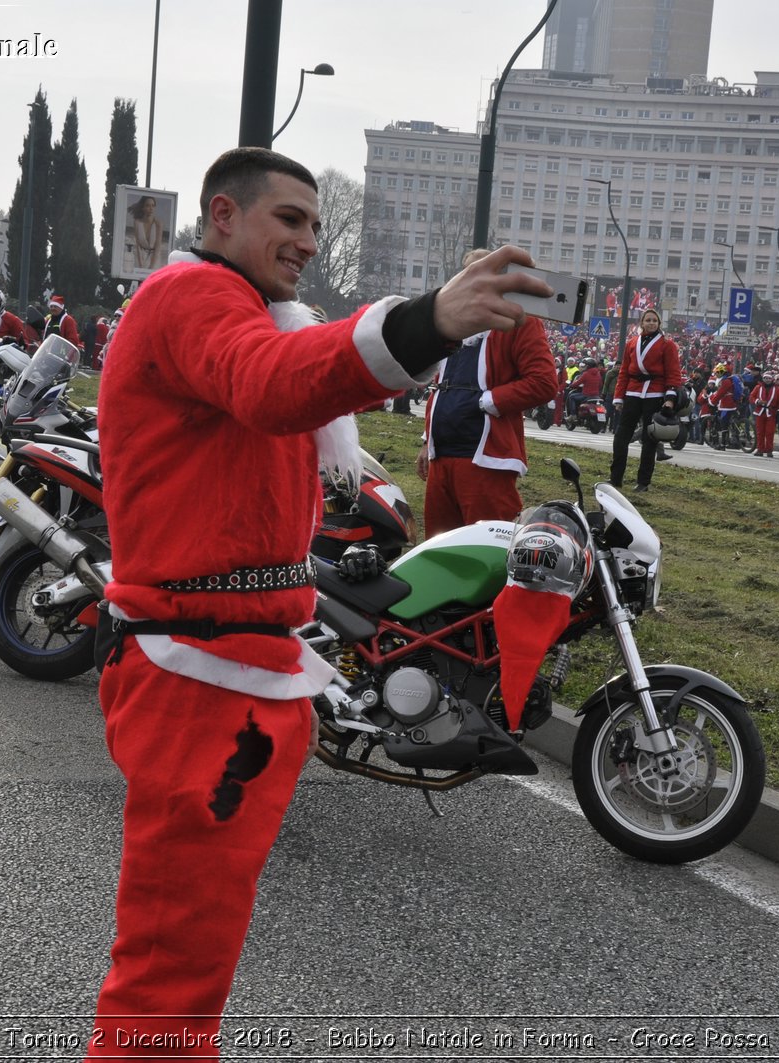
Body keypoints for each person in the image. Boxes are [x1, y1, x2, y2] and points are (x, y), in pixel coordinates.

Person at [85, 146, 552, 1057]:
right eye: (288, 219)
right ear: (223, 215)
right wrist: (429, 321)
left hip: (227, 667)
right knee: (171, 970)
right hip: (201, 676)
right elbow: (271, 381)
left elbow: (281, 391)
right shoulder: (193, 299)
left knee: (187, 962)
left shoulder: (239, 306)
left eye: (314, 222)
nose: (307, 239)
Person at [417, 249, 557, 538]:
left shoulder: (521, 321)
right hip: (441, 455)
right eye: (467, 274)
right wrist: (425, 441)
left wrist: (489, 400)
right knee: (438, 547)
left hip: (487, 458)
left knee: (486, 547)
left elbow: (543, 382)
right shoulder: (452, 322)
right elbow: (441, 385)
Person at [608, 308, 680, 492]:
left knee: (649, 441)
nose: (651, 323)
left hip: (655, 395)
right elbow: (624, 371)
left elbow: (673, 373)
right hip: (632, 393)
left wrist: (670, 398)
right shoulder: (632, 342)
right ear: (642, 323)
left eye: (654, 321)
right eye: (648, 320)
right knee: (621, 436)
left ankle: (643, 482)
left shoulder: (667, 344)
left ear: (659, 324)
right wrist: (618, 397)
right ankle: (615, 479)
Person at [748, 369, 779, 457]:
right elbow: (751, 397)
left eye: (768, 378)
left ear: (771, 379)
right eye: (765, 378)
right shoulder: (758, 387)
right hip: (760, 412)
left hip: (771, 413)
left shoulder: (777, 389)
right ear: (763, 379)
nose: (767, 380)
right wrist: (757, 401)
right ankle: (760, 449)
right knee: (760, 432)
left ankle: (769, 450)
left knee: (769, 432)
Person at [129, 194, 164, 270]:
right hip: (141, 256)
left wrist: (151, 267)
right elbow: (137, 245)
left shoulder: (158, 224)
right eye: (148, 205)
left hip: (154, 258)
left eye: (153, 205)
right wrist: (140, 264)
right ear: (143, 208)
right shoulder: (137, 222)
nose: (151, 208)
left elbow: (158, 248)